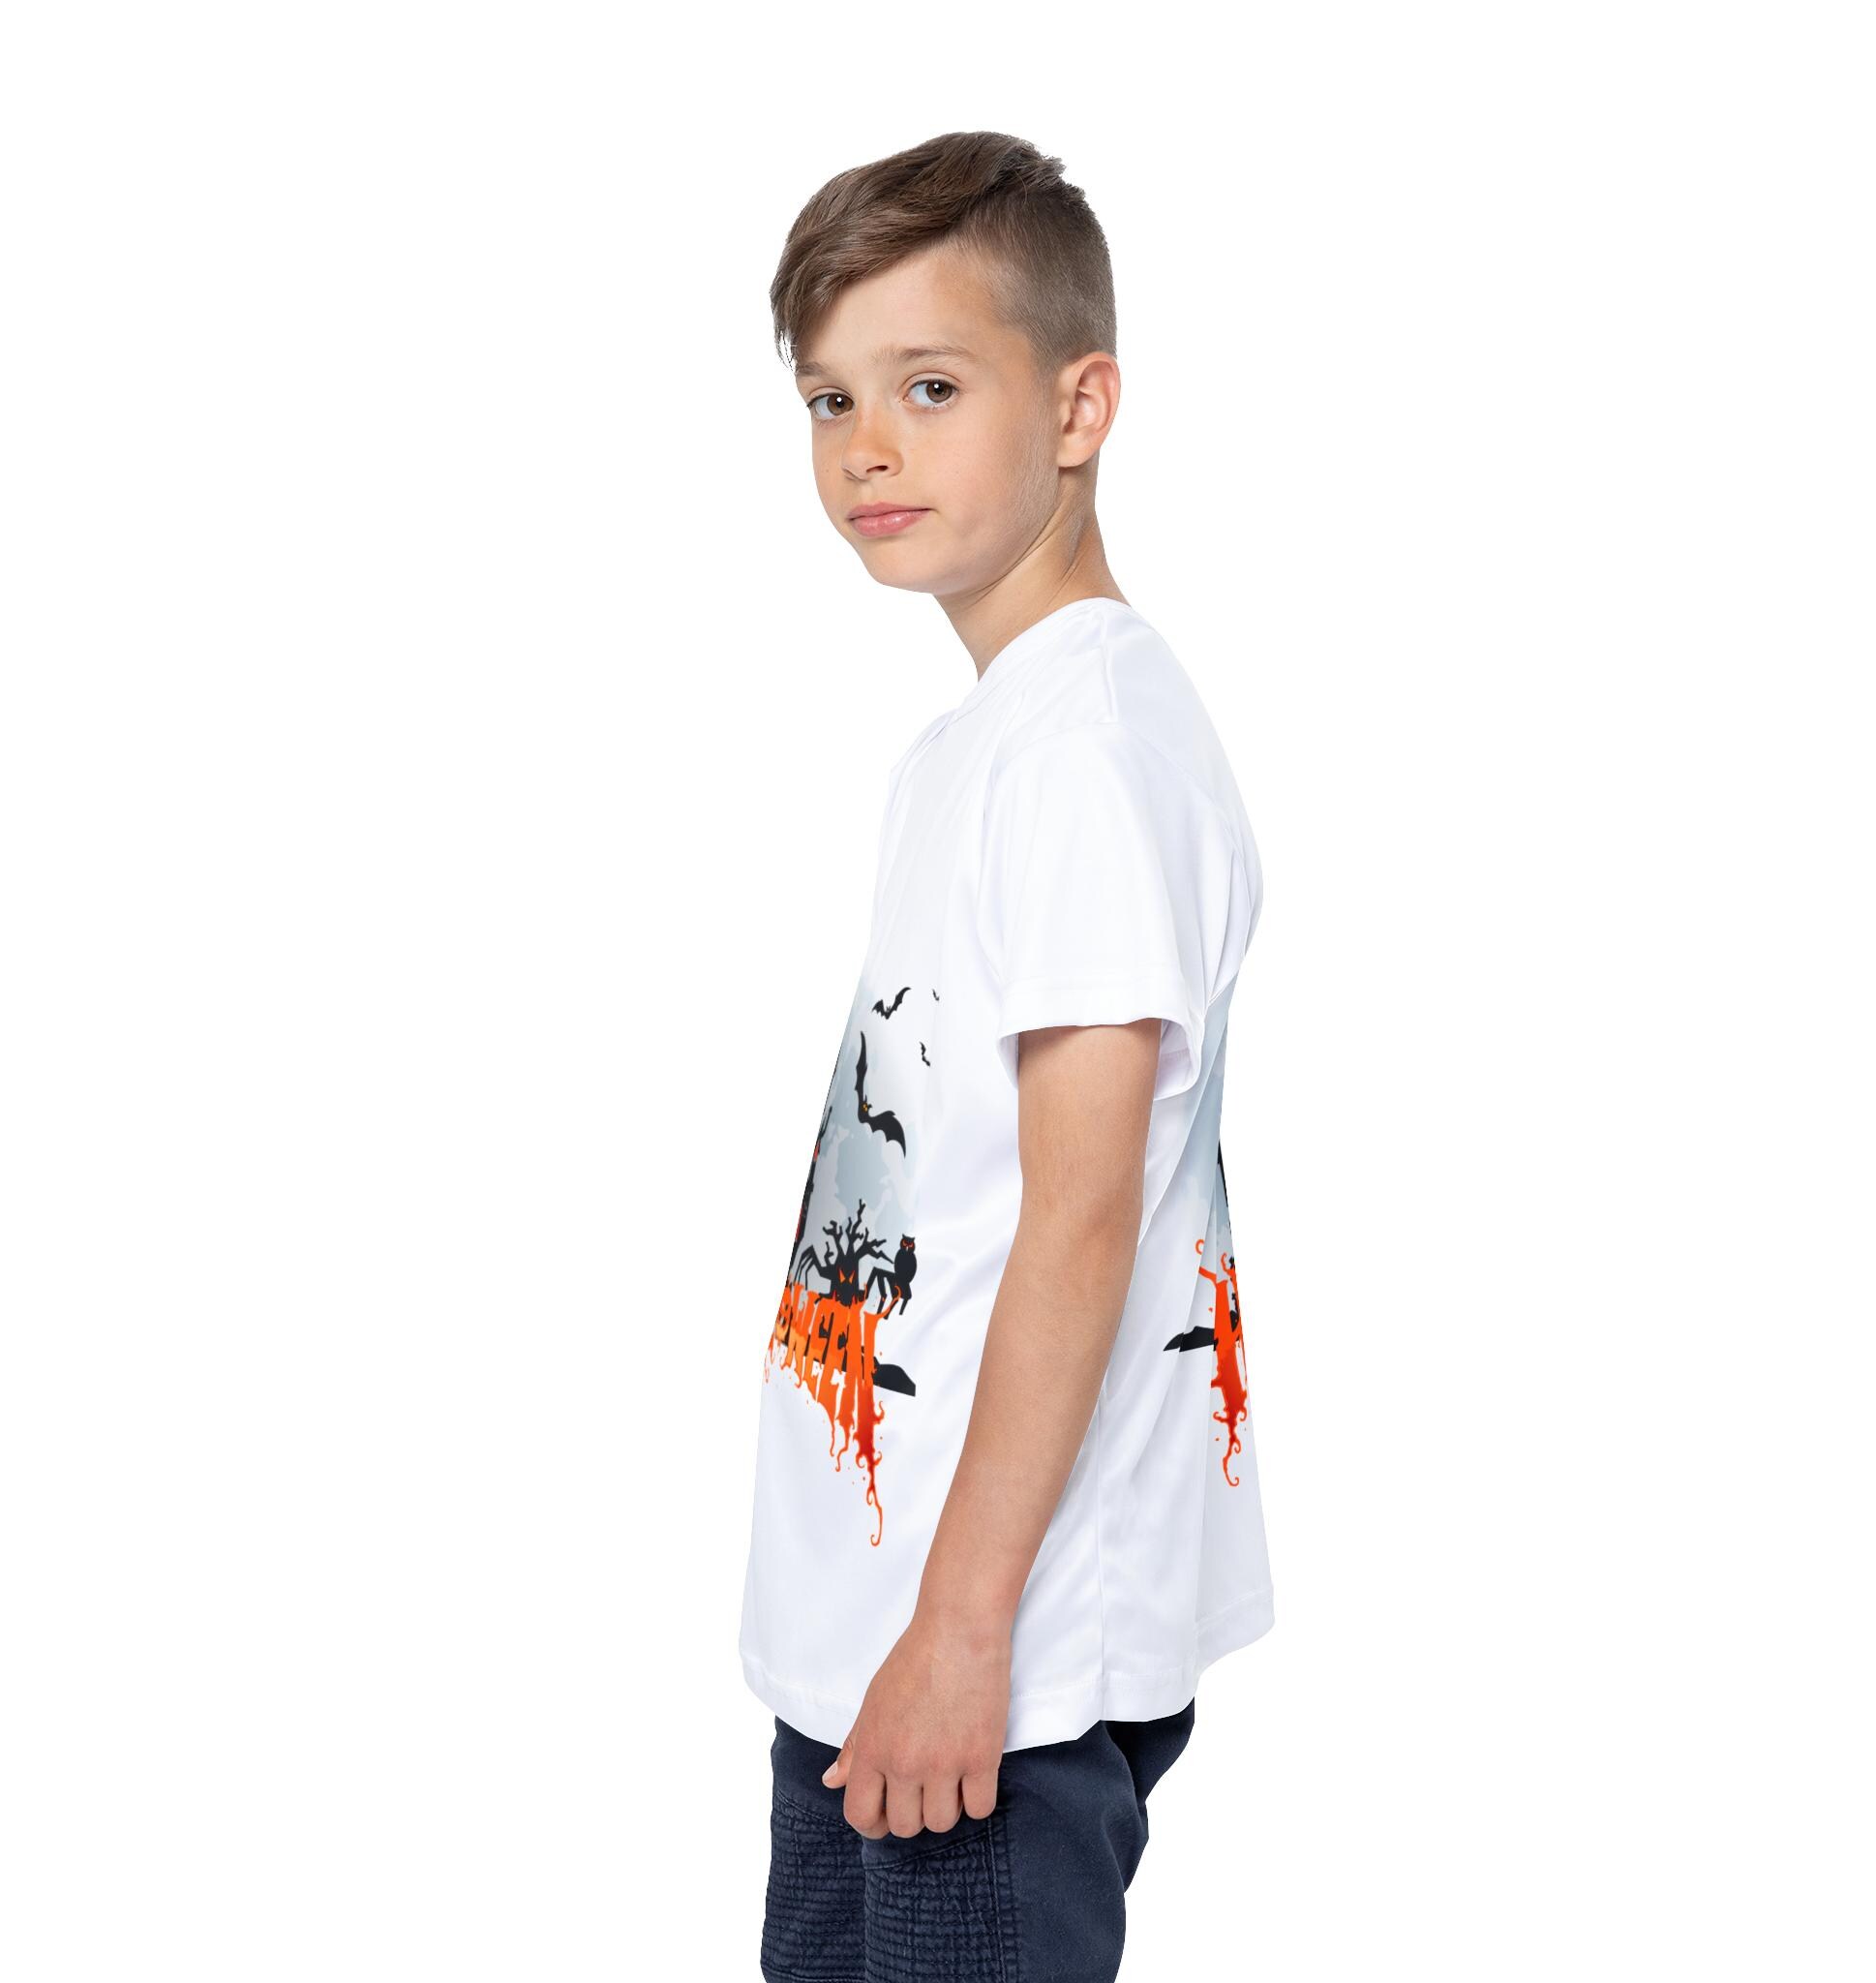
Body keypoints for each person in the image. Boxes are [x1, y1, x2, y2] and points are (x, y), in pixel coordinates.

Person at [740, 130, 1273, 1982]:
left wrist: (966, 1630)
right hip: (882, 1645)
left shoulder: (1085, 756)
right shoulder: (982, 747)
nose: (865, 448)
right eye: (830, 398)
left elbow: (1081, 1217)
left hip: (996, 1674)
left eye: (931, 387)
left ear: (1079, 406)